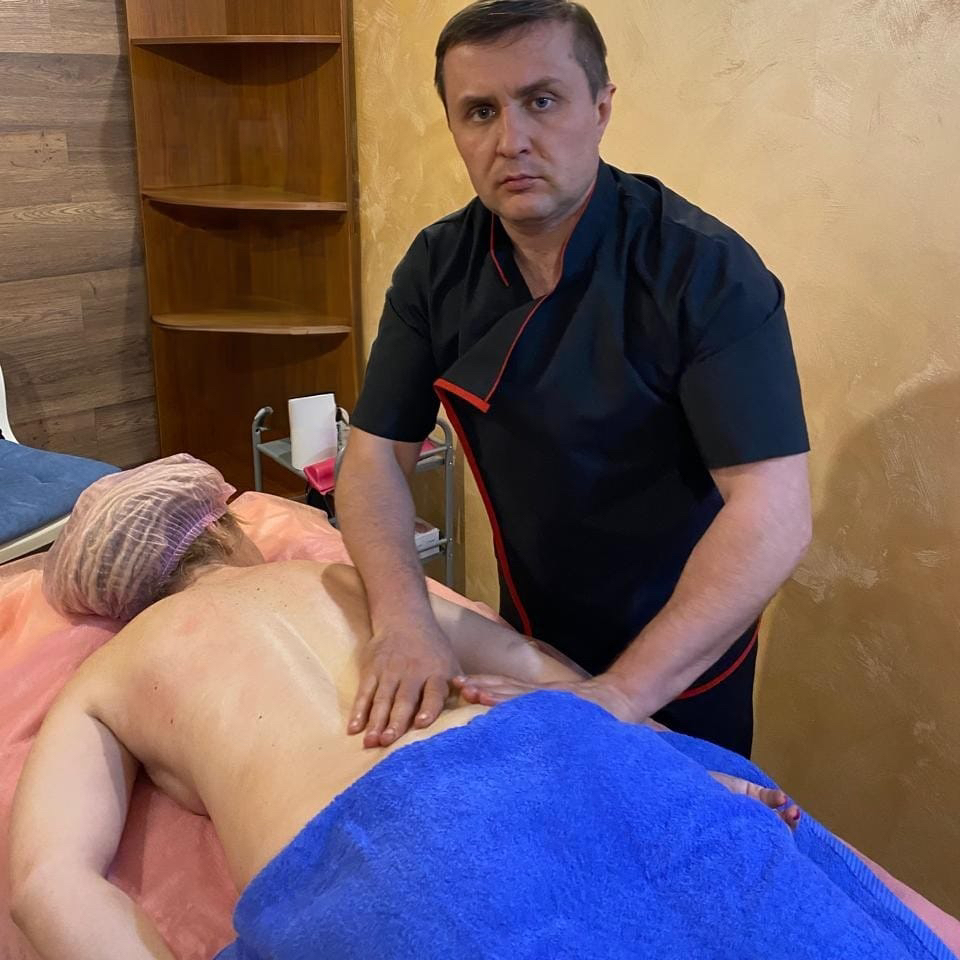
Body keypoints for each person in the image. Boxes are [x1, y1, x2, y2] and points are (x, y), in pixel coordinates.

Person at [9, 456, 812, 959]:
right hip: (543, 766)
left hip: (375, 864)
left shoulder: (111, 673)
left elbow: (47, 882)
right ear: (225, 528)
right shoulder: (351, 581)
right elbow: (534, 666)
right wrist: (661, 762)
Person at [336, 0, 813, 760]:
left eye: (542, 100)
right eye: (480, 111)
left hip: (682, 666)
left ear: (600, 108)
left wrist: (620, 693)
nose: (511, 140)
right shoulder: (438, 266)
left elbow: (773, 511)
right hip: (528, 639)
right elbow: (373, 456)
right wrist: (402, 621)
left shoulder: (705, 272)